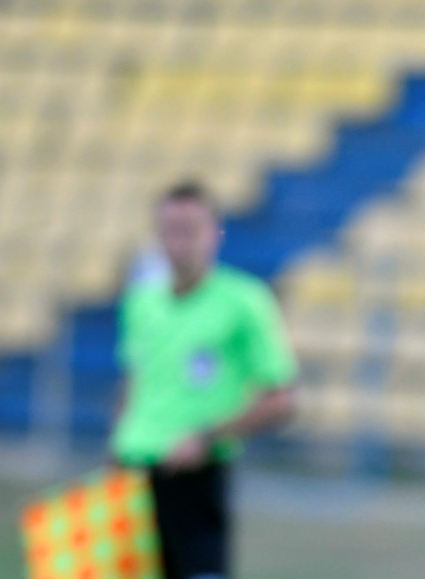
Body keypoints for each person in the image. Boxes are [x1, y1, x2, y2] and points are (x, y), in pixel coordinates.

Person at [110, 181, 298, 579]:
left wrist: (207, 438)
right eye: (170, 231)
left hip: (194, 478)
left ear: (215, 233)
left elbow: (281, 399)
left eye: (190, 230)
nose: (180, 243)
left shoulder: (245, 301)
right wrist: (116, 446)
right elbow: (133, 379)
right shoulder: (141, 303)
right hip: (131, 472)